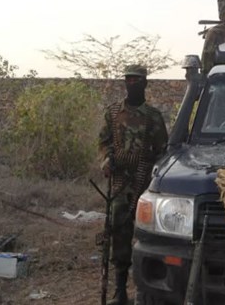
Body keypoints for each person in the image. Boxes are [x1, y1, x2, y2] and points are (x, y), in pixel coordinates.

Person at [98, 64, 168, 305]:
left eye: (136, 80)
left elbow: (162, 152)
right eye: (128, 80)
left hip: (145, 183)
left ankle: (151, 288)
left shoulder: (153, 117)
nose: (132, 84)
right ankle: (120, 290)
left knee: (152, 233)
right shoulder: (113, 113)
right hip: (120, 183)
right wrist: (107, 159)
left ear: (145, 83)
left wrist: (153, 172)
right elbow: (104, 142)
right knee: (119, 233)